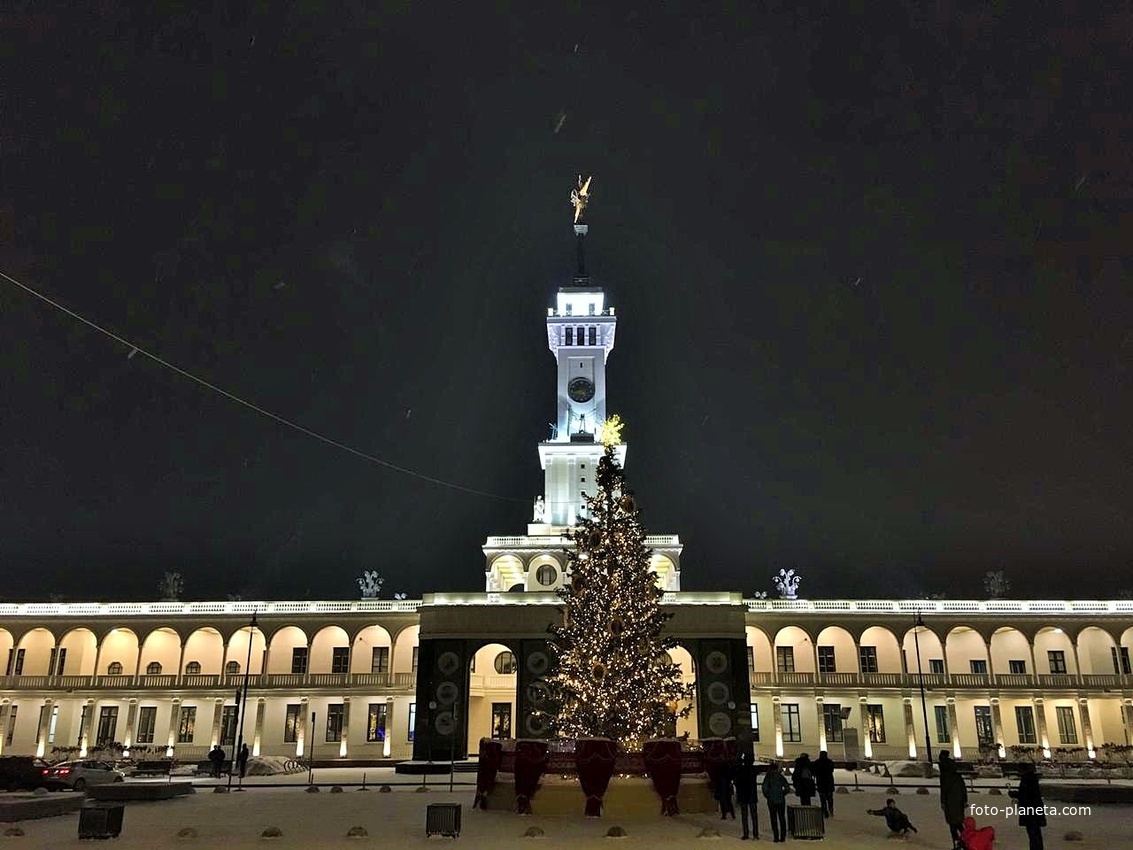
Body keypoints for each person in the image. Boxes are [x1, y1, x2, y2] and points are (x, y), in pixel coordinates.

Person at [1009, 762, 1047, 850]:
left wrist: (1015, 794)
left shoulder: (1026, 780)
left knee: (1033, 833)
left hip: (1030, 811)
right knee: (1035, 833)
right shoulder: (1031, 778)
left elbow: (1026, 795)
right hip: (1034, 810)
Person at [938, 751, 968, 849]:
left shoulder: (944, 775)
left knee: (953, 825)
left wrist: (943, 802)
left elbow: (944, 790)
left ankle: (957, 843)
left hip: (950, 803)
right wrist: (964, 800)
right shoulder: (956, 775)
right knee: (959, 823)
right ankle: (967, 840)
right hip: (959, 802)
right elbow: (963, 788)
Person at [761, 761, 791, 843]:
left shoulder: (768, 777)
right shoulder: (780, 777)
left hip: (771, 801)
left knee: (773, 818)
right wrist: (782, 794)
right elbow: (787, 788)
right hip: (781, 800)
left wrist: (768, 796)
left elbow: (764, 789)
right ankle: (783, 837)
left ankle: (776, 837)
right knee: (782, 818)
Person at [734, 752, 759, 840]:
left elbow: (737, 783)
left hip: (744, 796)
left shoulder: (740, 770)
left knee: (745, 816)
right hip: (752, 796)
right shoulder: (753, 770)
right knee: (754, 816)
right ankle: (755, 834)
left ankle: (746, 833)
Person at [813, 750, 836, 817]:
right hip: (829, 782)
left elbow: (814, 772)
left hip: (821, 783)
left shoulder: (817, 762)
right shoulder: (830, 762)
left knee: (822, 799)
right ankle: (830, 809)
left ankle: (824, 811)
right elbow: (832, 770)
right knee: (830, 798)